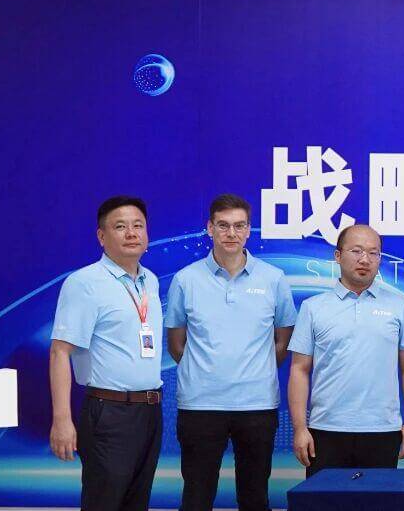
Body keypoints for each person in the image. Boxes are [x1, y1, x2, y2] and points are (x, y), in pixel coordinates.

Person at [165, 194, 297, 510]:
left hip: (257, 405)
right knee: (196, 497)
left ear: (249, 230)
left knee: (254, 498)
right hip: (200, 405)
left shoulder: (273, 279)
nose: (231, 233)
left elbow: (283, 341)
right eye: (223, 225)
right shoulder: (186, 279)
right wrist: (207, 372)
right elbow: (177, 345)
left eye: (239, 226)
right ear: (209, 228)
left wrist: (256, 370)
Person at [49, 196, 164, 511]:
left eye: (138, 226)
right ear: (102, 236)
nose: (131, 233)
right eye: (120, 227)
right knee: (104, 502)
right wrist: (62, 420)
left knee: (137, 503)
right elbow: (60, 352)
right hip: (109, 413)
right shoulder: (85, 283)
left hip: (150, 411)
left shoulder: (150, 281)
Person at [286, 224, 404, 477]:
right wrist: (300, 428)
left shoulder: (398, 306)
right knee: (325, 499)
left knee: (376, 498)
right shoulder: (313, 307)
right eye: (356, 251)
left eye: (373, 253)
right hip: (325, 430)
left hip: (383, 430)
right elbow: (299, 369)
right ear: (338, 256)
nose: (365, 259)